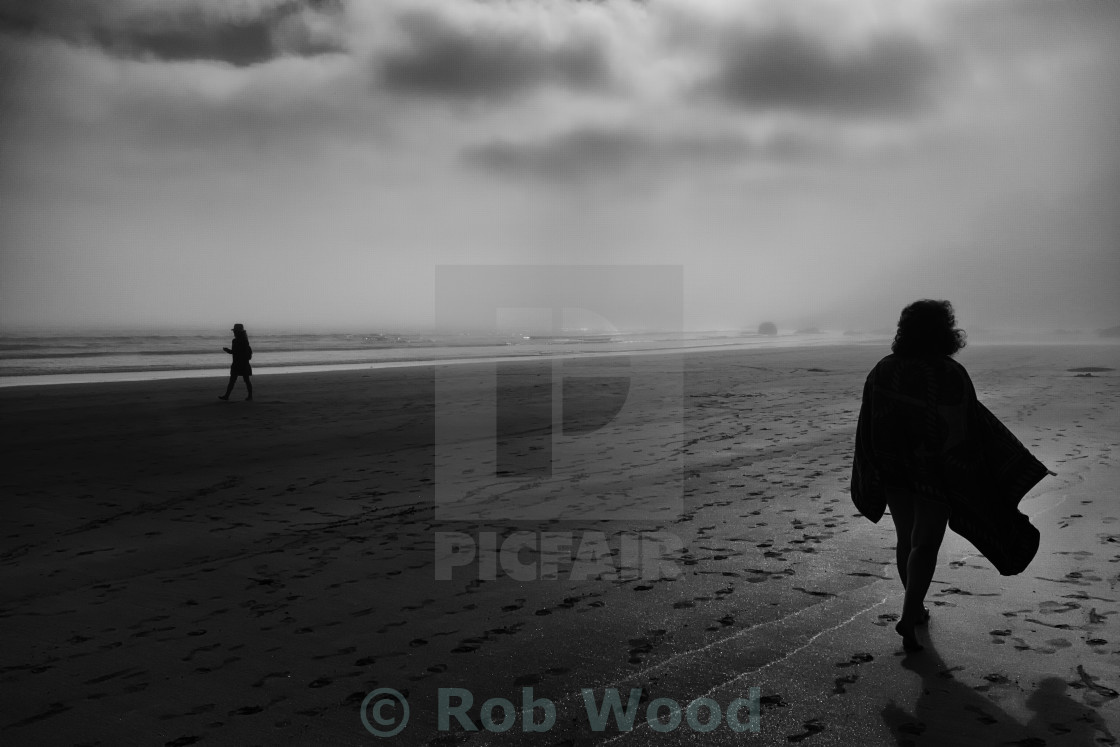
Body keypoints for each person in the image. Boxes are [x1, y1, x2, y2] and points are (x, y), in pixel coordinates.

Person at [851, 300, 1052, 652]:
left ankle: (915, 610)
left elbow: (868, 424)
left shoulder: (883, 370)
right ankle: (909, 612)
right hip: (936, 473)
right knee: (925, 543)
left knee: (906, 539)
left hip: (895, 469)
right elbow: (967, 429)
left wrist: (874, 465)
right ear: (945, 332)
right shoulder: (949, 374)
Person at [218, 323, 253, 401]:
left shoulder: (235, 341)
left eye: (234, 331)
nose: (234, 333)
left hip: (237, 363)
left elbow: (234, 352)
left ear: (237, 332)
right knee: (246, 380)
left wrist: (227, 350)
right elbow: (240, 352)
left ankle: (227, 396)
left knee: (233, 380)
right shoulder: (245, 341)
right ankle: (250, 396)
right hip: (244, 363)